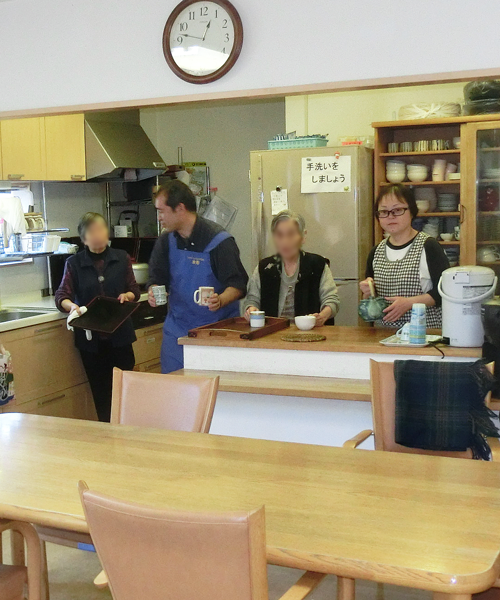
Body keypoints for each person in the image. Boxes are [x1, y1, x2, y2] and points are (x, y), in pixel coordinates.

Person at [147, 180, 248, 373]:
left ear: (180, 208)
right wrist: (153, 291)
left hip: (216, 332)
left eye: (162, 211)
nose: (159, 217)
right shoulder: (166, 241)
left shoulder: (219, 241)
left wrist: (220, 299)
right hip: (177, 332)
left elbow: (238, 283)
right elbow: (156, 277)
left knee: (216, 392)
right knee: (174, 390)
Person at [55, 212, 140, 422]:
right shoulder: (73, 263)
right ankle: (107, 436)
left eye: (101, 229)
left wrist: (127, 296)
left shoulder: (121, 257)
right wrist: (72, 306)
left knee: (126, 390)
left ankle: (129, 432)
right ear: (83, 238)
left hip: (120, 335)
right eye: (92, 231)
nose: (98, 234)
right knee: (101, 393)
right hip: (91, 340)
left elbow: (134, 290)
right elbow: (61, 296)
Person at [359, 184, 449, 327]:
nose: (390, 216)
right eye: (384, 211)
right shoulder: (376, 251)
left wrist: (409, 303)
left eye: (397, 210)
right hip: (383, 336)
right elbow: (372, 303)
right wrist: (367, 292)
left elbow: (445, 293)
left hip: (424, 336)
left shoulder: (429, 247)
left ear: (412, 211)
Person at [243, 210, 340, 325]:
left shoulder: (317, 265)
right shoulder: (265, 268)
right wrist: (251, 309)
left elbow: (332, 300)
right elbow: (252, 300)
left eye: (291, 234)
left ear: (303, 236)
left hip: (312, 335)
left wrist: (322, 316)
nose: (285, 241)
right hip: (272, 334)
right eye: (279, 235)